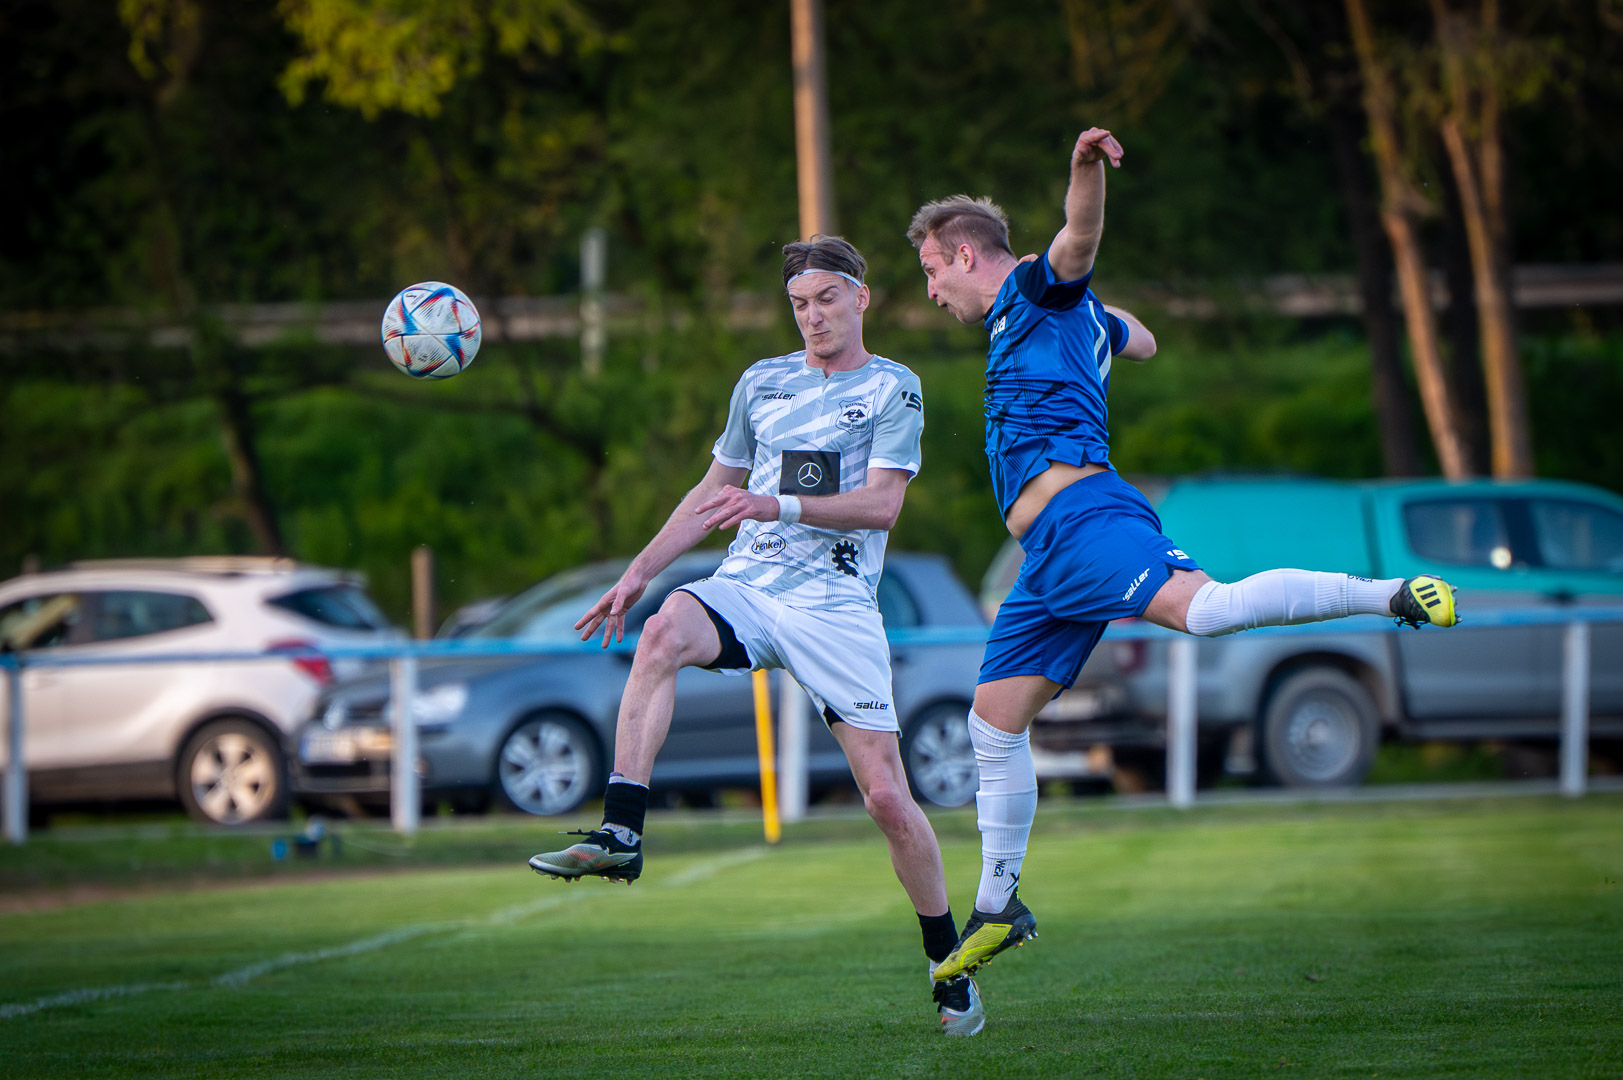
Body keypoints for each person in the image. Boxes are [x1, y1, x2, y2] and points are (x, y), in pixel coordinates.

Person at [907, 128, 1459, 985]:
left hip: (1088, 520)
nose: (930, 291)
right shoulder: (1060, 313)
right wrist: (1103, 325)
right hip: (1047, 560)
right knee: (990, 724)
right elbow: (1145, 339)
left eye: (930, 271)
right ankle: (997, 907)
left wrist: (1083, 171)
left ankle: (1387, 595)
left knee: (1206, 610)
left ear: (966, 254)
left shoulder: (1032, 288)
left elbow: (1079, 238)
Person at [528, 235, 986, 1036]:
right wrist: (638, 573)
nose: (813, 316)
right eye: (799, 304)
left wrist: (775, 504)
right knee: (662, 631)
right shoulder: (761, 381)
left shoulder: (893, 387)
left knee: (886, 798)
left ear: (860, 299)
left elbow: (882, 507)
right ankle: (621, 830)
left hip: (836, 607)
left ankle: (946, 960)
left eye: (826, 299)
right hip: (748, 585)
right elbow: (713, 489)